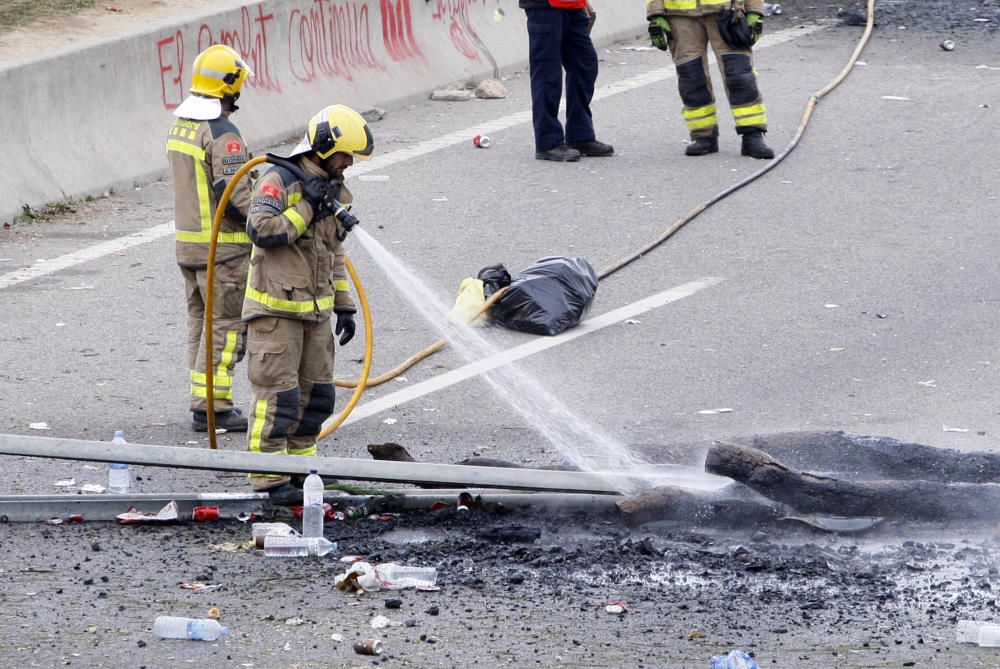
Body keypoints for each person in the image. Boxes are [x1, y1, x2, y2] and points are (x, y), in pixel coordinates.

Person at [242, 104, 372, 496]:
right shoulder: (277, 182)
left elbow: (333, 253)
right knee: (277, 399)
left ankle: (301, 468)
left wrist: (344, 303)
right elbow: (261, 230)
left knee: (317, 396)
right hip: (275, 313)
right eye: (346, 154)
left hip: (316, 313)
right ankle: (268, 478)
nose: (349, 163)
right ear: (324, 146)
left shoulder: (334, 192)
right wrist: (306, 207)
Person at [166, 44, 254, 432]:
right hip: (224, 249)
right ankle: (213, 405)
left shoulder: (182, 124)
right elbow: (234, 194)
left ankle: (201, 398)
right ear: (229, 86)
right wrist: (271, 223)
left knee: (200, 324)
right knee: (226, 326)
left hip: (189, 247)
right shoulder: (221, 131)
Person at [646, 0, 775, 159]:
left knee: (739, 74)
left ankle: (752, 134)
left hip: (727, 12)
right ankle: (703, 135)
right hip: (679, 15)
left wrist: (754, 10)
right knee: (691, 75)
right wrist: (655, 13)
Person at [519, 0, 614, 162]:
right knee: (547, 75)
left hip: (573, 6)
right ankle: (548, 143)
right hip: (545, 7)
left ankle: (580, 136)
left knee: (585, 65)